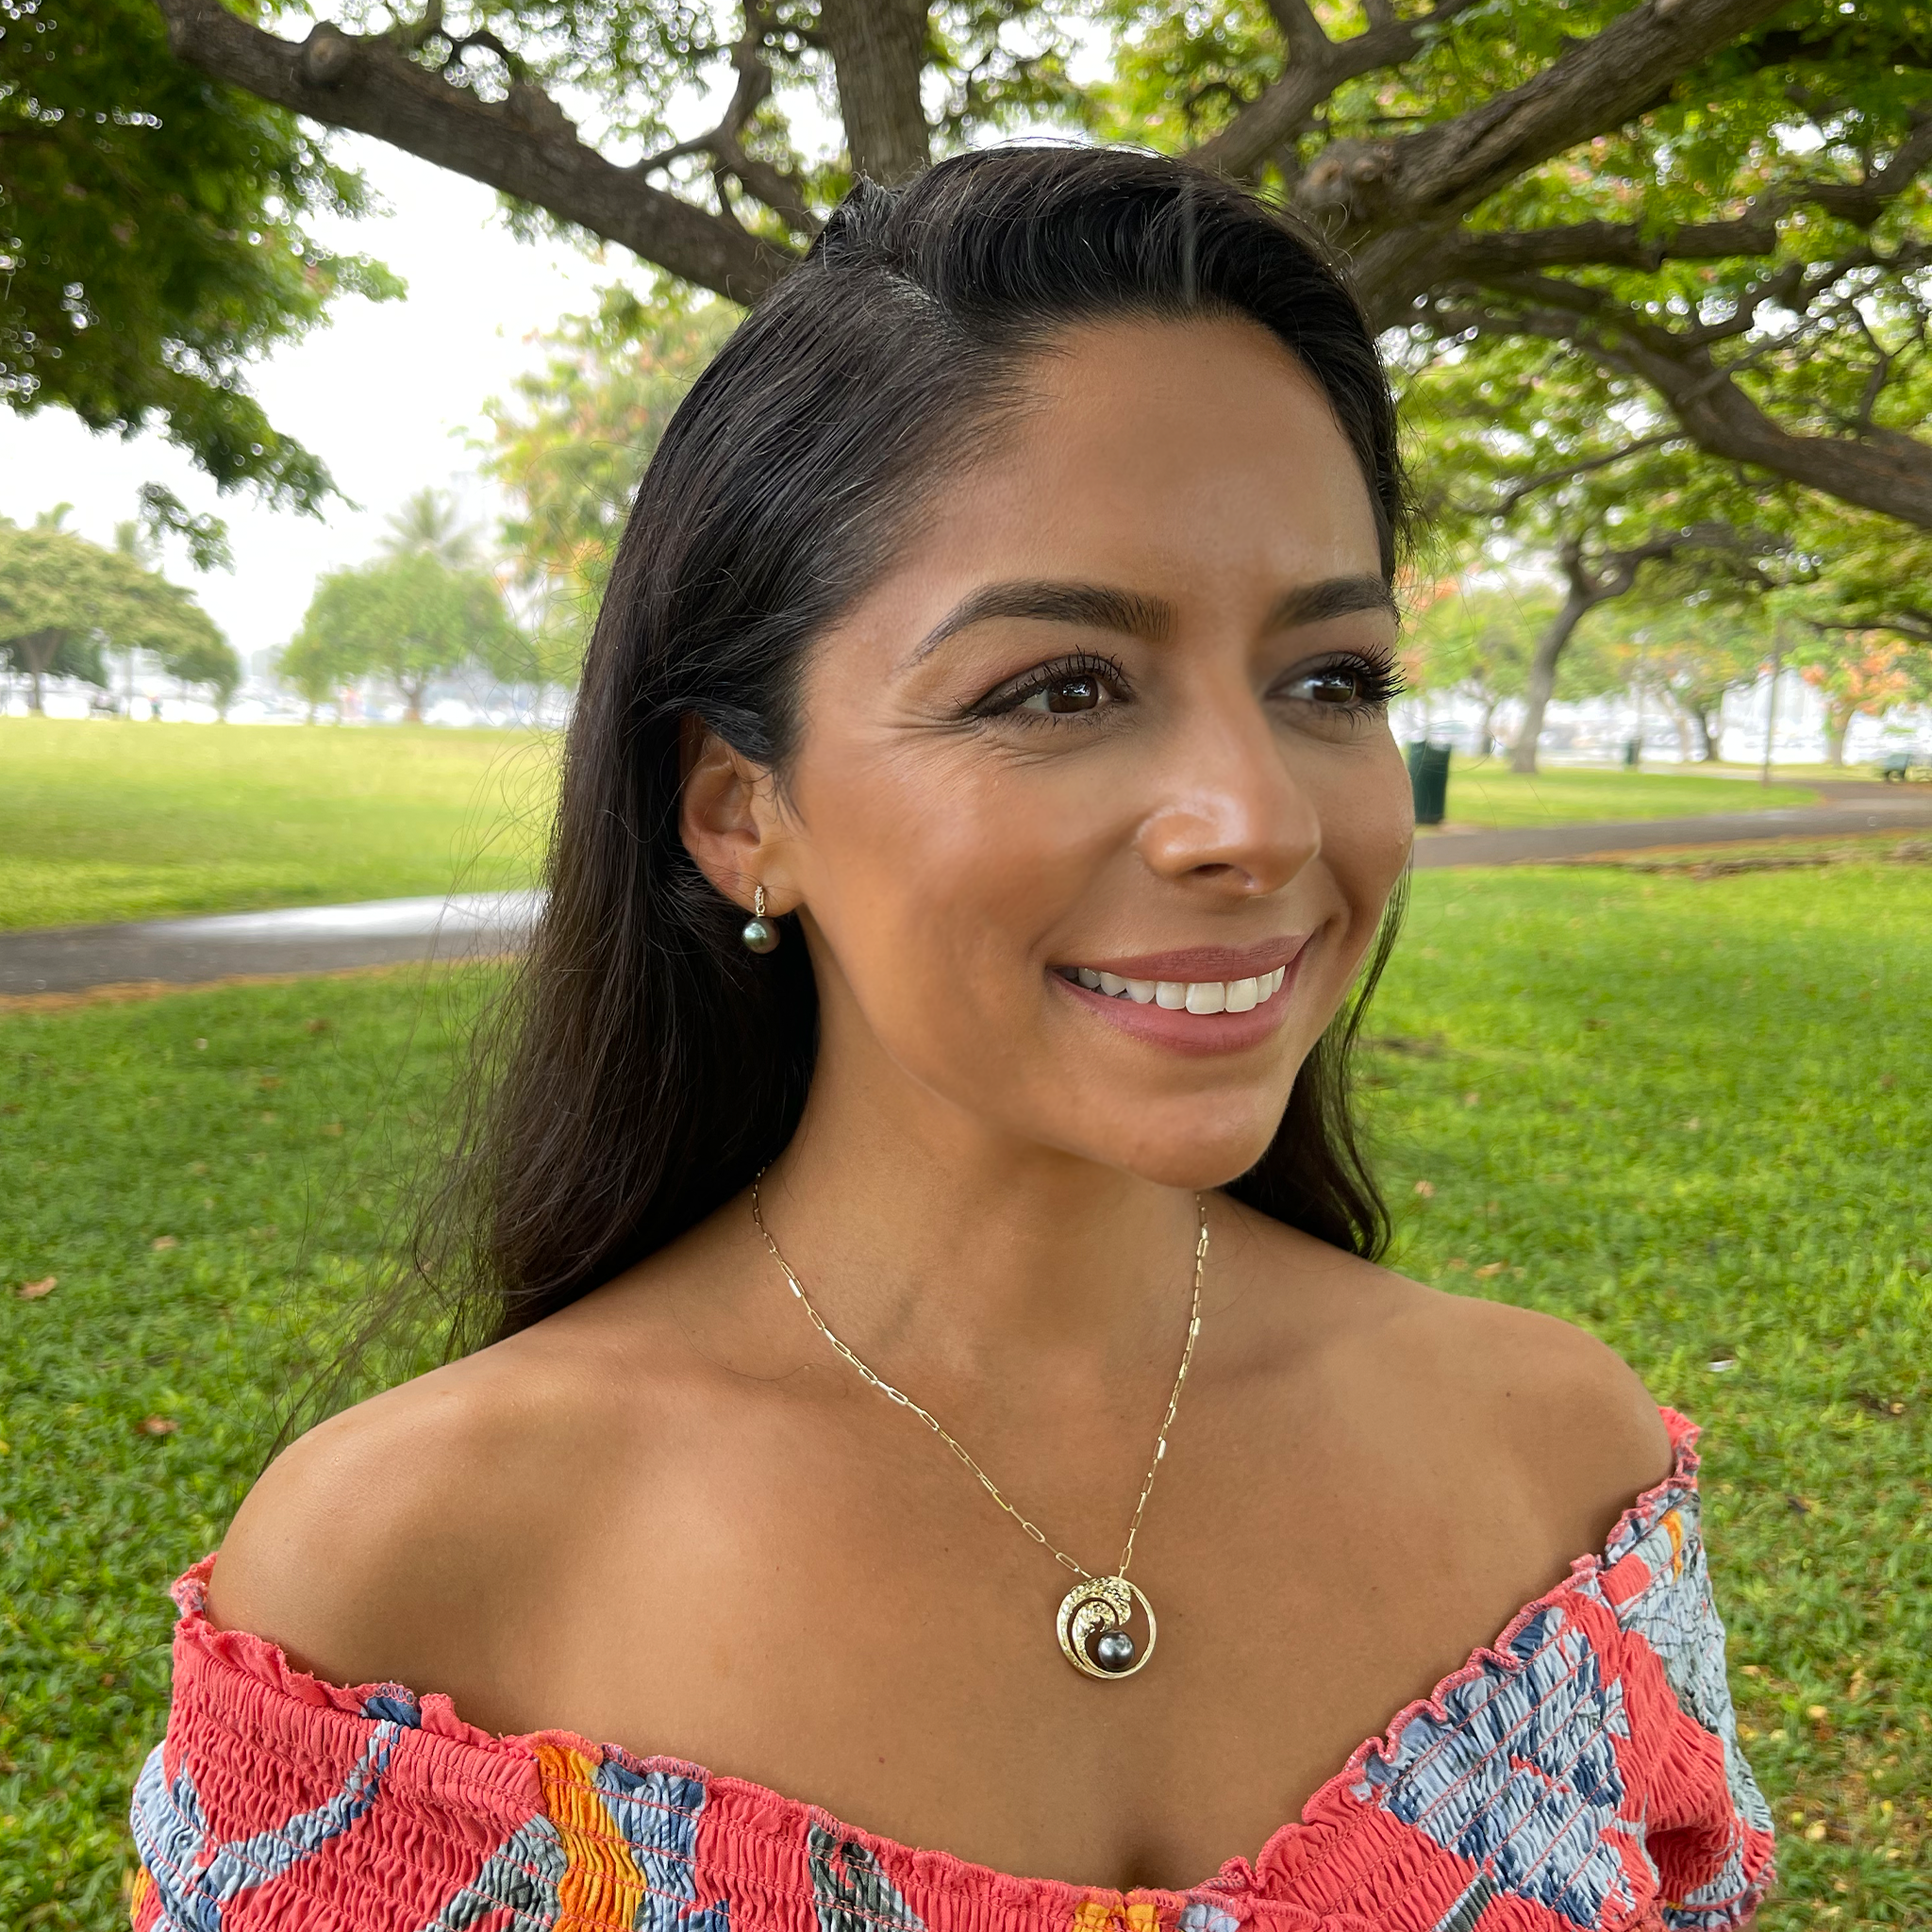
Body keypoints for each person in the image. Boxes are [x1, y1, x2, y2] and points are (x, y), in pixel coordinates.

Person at [128, 148, 1773, 1932]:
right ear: (741, 809)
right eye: (1060, 686)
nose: (1259, 821)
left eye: (1331, 680)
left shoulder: (1566, 1483)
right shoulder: (399, 1594)